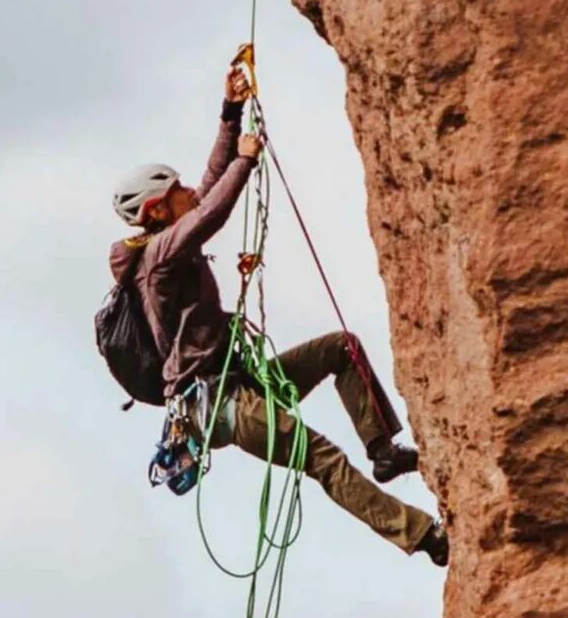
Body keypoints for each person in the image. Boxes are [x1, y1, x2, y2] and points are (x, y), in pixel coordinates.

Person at [109, 71, 449, 566]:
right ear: (158, 210)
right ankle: (423, 536)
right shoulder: (160, 255)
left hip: (238, 382)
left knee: (342, 347)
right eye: (178, 188)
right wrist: (246, 160)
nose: (190, 189)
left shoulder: (165, 239)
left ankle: (383, 450)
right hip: (220, 402)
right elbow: (213, 211)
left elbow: (208, 188)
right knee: (323, 459)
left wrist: (230, 112)